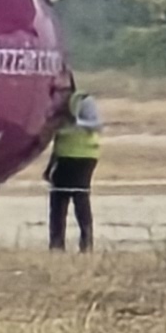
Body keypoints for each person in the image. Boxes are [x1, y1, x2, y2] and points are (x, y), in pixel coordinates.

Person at [46, 88, 103, 252]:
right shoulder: (55, 109)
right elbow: (57, 140)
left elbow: (97, 124)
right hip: (63, 158)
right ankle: (56, 244)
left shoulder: (84, 101)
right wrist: (50, 166)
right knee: (57, 201)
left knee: (80, 198)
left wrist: (74, 123)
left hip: (84, 157)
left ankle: (86, 243)